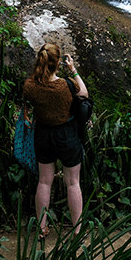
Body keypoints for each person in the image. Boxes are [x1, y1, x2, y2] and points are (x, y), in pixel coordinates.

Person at [22, 43, 89, 237]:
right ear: (58, 62)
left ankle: (42, 229)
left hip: (43, 134)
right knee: (73, 183)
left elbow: (28, 102)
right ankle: (77, 230)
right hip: (66, 135)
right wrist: (73, 70)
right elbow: (84, 94)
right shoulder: (66, 85)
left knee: (44, 182)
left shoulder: (30, 85)